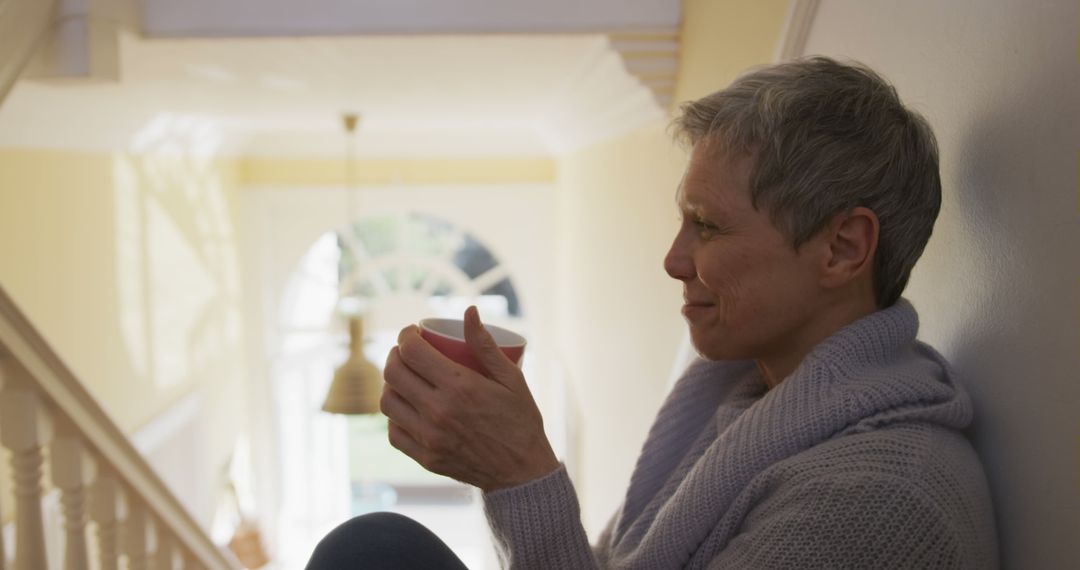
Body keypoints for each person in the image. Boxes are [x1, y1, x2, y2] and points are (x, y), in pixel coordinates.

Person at [307, 56, 998, 569]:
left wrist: (521, 475)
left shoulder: (878, 498)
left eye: (709, 226)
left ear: (843, 248)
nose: (673, 258)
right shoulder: (750, 401)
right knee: (373, 544)